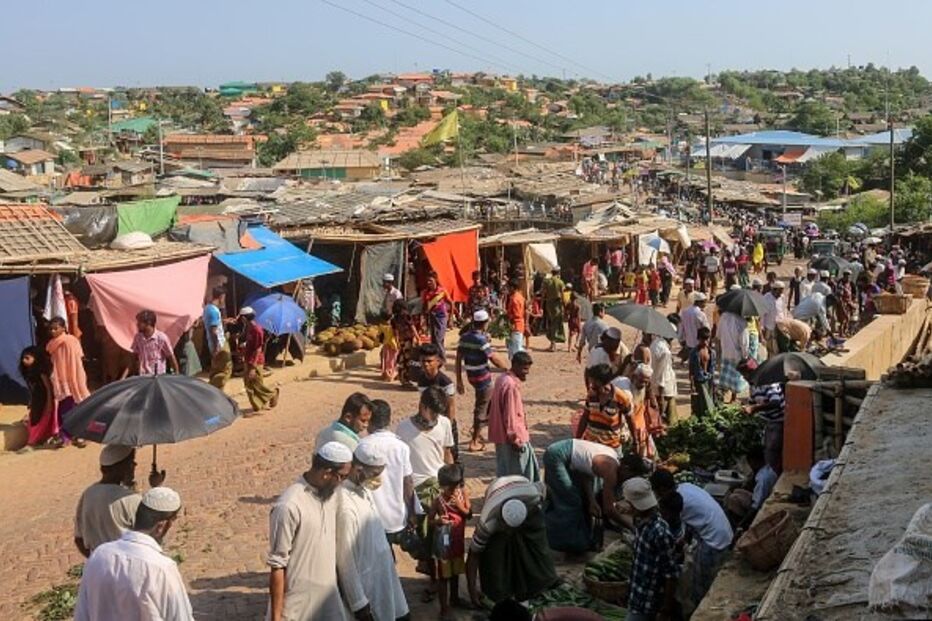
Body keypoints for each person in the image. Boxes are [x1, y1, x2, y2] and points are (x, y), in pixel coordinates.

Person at [75, 487, 192, 621]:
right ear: (161, 526)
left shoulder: (99, 555)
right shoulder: (162, 568)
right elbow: (181, 617)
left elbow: (82, 614)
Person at [268, 442, 353, 621]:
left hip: (328, 602)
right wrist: (276, 617)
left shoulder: (332, 495)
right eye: (343, 477)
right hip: (296, 608)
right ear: (327, 473)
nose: (344, 482)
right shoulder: (289, 506)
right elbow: (277, 566)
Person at [336, 443, 410, 621]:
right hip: (367, 584)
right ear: (358, 469)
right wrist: (358, 603)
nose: (378, 479)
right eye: (374, 474)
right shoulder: (345, 505)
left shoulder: (363, 489)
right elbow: (346, 561)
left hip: (383, 573)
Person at [466, 476, 558, 607]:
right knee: (495, 553)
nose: (510, 531)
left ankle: (541, 581)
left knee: (536, 542)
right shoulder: (488, 522)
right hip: (496, 490)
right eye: (507, 528)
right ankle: (499, 591)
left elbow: (547, 489)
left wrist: (550, 511)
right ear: (501, 522)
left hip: (521, 486)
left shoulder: (534, 496)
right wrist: (472, 590)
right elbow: (473, 555)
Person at [650, 469, 732, 610]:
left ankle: (699, 610)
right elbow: (691, 523)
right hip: (723, 531)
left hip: (714, 540)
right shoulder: (686, 487)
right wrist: (684, 540)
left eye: (656, 493)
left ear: (662, 490)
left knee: (701, 582)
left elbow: (670, 524)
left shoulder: (678, 503)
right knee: (702, 573)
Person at [542, 439, 631, 553]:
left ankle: (576, 539)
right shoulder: (610, 470)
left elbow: (586, 473)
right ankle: (558, 540)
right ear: (626, 468)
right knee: (570, 501)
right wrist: (629, 527)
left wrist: (592, 501)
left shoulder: (613, 457)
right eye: (630, 475)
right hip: (556, 456)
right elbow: (608, 509)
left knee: (578, 497)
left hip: (566, 454)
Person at [358, 399, 416, 549]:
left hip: (370, 519)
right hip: (396, 517)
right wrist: (411, 512)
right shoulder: (401, 447)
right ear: (389, 420)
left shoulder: (362, 446)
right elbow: (407, 483)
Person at [74, 445, 149, 557]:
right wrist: (156, 487)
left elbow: (79, 539)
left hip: (99, 565)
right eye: (131, 462)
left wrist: (96, 560)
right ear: (120, 467)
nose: (134, 465)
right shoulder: (130, 498)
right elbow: (149, 536)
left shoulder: (88, 493)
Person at [396, 386, 456, 521]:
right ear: (422, 406)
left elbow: (447, 454)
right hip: (416, 492)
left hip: (439, 487)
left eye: (438, 414)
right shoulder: (403, 429)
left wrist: (454, 482)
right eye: (433, 413)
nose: (436, 417)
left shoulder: (444, 423)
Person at [623, 478, 679, 621]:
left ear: (634, 506)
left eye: (628, 504)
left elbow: (671, 574)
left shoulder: (660, 532)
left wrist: (665, 610)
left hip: (648, 602)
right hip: (637, 595)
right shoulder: (641, 522)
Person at [456, 309, 508, 453]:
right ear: (485, 323)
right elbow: (493, 358)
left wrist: (459, 380)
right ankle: (474, 440)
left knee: (488, 403)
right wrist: (507, 368)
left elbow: (458, 358)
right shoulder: (481, 340)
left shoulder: (465, 337)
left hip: (471, 375)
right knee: (482, 407)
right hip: (482, 377)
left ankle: (480, 431)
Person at [487, 351, 539, 482]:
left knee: (504, 472)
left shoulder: (502, 378)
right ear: (515, 365)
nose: (526, 372)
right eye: (524, 369)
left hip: (500, 435)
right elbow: (510, 416)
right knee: (520, 476)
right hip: (512, 438)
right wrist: (515, 439)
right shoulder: (511, 386)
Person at [429, 463, 471, 620]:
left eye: (455, 487)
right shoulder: (438, 501)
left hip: (458, 544)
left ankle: (455, 599)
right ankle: (444, 608)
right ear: (442, 486)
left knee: (455, 574)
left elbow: (468, 514)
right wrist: (439, 521)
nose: (453, 491)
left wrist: (459, 506)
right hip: (444, 547)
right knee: (444, 577)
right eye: (449, 488)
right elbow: (430, 521)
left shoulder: (463, 494)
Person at [46, 316, 90, 447]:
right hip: (61, 379)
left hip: (74, 376)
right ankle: (65, 436)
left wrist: (74, 375)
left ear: (63, 328)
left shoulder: (71, 340)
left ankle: (81, 434)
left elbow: (78, 358)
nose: (53, 331)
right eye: (51, 329)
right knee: (64, 409)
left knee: (77, 407)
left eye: (56, 328)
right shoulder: (51, 344)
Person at [418, 343, 459, 460]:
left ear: (438, 362)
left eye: (429, 361)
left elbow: (451, 406)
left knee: (450, 454)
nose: (426, 364)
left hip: (445, 421)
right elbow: (422, 402)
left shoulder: (446, 382)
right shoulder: (421, 380)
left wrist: (448, 428)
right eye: (423, 361)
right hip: (430, 421)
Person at [613, 365, 661, 460]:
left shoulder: (643, 386)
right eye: (641, 381)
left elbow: (651, 403)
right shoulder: (625, 391)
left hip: (639, 424)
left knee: (647, 453)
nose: (643, 384)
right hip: (624, 425)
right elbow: (625, 416)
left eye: (646, 382)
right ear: (634, 376)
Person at [239, 306, 279, 413]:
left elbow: (258, 349)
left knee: (255, 383)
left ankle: (272, 394)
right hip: (248, 358)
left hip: (255, 360)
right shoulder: (249, 328)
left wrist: (253, 366)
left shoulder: (257, 330)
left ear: (244, 318)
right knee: (250, 383)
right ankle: (258, 404)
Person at [19, 346, 58, 447]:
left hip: (44, 400)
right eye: (23, 358)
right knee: (35, 418)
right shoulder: (29, 372)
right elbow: (33, 389)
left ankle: (32, 441)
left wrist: (49, 403)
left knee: (41, 419)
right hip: (37, 399)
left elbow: (48, 388)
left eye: (27, 358)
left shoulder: (41, 373)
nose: (24, 361)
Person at [125, 310, 179, 377]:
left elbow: (171, 358)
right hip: (143, 377)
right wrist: (123, 378)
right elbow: (132, 359)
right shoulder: (138, 338)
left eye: (140, 322)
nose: (137, 324)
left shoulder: (161, 338)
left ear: (148, 323)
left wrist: (176, 377)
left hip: (157, 378)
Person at [203, 287, 232, 389]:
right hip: (219, 344)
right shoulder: (213, 311)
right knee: (225, 370)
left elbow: (215, 324)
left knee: (217, 370)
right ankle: (211, 389)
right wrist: (216, 348)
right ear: (221, 297)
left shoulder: (208, 308)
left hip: (216, 343)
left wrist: (226, 321)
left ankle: (217, 393)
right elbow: (214, 331)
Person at [717, 310, 750, 401]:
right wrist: (745, 356)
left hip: (725, 351)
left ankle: (722, 397)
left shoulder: (723, 316)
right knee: (735, 377)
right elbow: (744, 342)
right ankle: (733, 398)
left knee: (725, 376)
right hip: (737, 355)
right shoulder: (742, 322)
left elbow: (718, 335)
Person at [391, 299, 421, 388]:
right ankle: (407, 379)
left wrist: (397, 342)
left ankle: (403, 379)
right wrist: (418, 338)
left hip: (401, 341)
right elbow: (412, 327)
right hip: (408, 340)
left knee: (402, 360)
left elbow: (395, 332)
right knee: (409, 360)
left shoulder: (394, 319)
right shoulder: (406, 316)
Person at [422, 271, 452, 359]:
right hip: (431, 317)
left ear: (435, 280)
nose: (428, 283)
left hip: (441, 317)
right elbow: (424, 307)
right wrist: (423, 320)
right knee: (434, 339)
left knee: (439, 338)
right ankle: (436, 357)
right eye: (427, 281)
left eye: (430, 281)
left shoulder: (442, 291)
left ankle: (442, 358)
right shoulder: (426, 293)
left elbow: (451, 303)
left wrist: (450, 319)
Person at [650, 333, 678, 424]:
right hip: (665, 391)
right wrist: (661, 396)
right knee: (667, 421)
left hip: (656, 387)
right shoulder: (665, 351)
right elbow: (663, 374)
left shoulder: (654, 344)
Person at [689, 326, 716, 417]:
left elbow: (712, 368)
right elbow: (691, 369)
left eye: (706, 339)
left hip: (709, 379)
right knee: (702, 404)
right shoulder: (694, 353)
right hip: (699, 381)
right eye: (702, 340)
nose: (704, 342)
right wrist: (692, 384)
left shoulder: (712, 353)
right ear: (698, 339)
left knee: (710, 401)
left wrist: (713, 382)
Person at [678, 293, 710, 362]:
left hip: (689, 342)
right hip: (699, 343)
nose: (705, 305)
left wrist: (681, 338)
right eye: (704, 302)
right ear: (699, 302)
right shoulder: (700, 314)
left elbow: (681, 327)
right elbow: (706, 328)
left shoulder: (684, 312)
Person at [542, 267, 566, 351]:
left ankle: (552, 343)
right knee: (555, 324)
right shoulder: (560, 282)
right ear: (558, 273)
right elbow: (563, 296)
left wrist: (542, 305)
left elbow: (543, 294)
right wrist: (564, 306)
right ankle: (553, 344)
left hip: (549, 304)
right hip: (557, 305)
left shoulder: (547, 282)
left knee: (551, 322)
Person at [761, 281, 787, 355]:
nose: (780, 294)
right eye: (779, 292)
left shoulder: (782, 297)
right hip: (769, 326)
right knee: (771, 347)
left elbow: (783, 310)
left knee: (779, 346)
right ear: (774, 290)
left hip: (780, 325)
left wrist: (785, 321)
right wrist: (762, 327)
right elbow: (763, 314)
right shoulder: (766, 297)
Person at [505, 278, 527, 359]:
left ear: (512, 287)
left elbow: (517, 314)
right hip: (519, 324)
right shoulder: (520, 297)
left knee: (516, 348)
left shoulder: (514, 299)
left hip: (515, 324)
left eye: (509, 287)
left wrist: (508, 316)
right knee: (514, 346)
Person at [565, 285, 582, 352]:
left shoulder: (568, 304)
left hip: (571, 320)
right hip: (576, 320)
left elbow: (566, 312)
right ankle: (576, 343)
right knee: (579, 331)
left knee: (570, 334)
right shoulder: (578, 306)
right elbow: (578, 315)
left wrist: (567, 316)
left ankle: (569, 347)